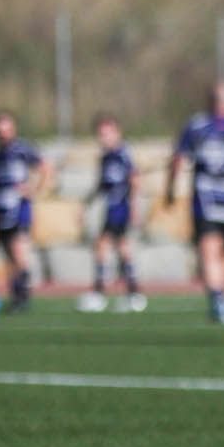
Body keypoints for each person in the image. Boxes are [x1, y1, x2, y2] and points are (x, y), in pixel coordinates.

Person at [166, 79, 224, 325]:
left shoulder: (198, 126)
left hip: (207, 199)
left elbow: (178, 160)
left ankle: (219, 301)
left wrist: (170, 188)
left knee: (210, 251)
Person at [0, 110, 50, 312]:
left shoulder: (23, 150)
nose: (3, 134)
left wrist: (34, 190)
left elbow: (46, 168)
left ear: (13, 129)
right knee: (9, 257)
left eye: (6, 129)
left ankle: (23, 294)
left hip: (19, 209)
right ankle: (17, 296)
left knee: (19, 251)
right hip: (1, 212)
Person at [80, 114, 144, 313]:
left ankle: (101, 294)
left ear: (117, 133)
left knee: (106, 245)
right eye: (100, 134)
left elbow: (134, 180)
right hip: (111, 208)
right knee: (118, 248)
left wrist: (134, 207)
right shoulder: (106, 157)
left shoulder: (122, 154)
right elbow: (102, 185)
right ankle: (132, 294)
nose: (103, 138)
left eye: (107, 134)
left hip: (121, 207)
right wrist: (86, 203)